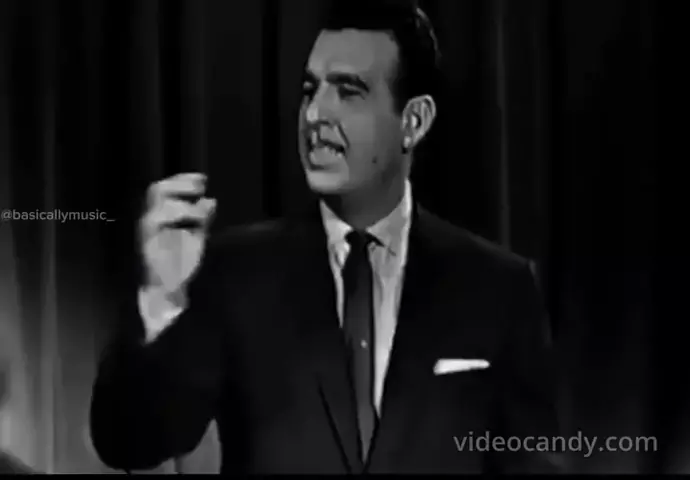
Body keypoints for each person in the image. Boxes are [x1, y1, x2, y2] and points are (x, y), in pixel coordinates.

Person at [89, 0, 563, 474]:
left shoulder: (498, 289)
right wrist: (161, 301)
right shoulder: (237, 274)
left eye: (348, 91)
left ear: (414, 121)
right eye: (309, 90)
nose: (315, 113)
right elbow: (130, 443)